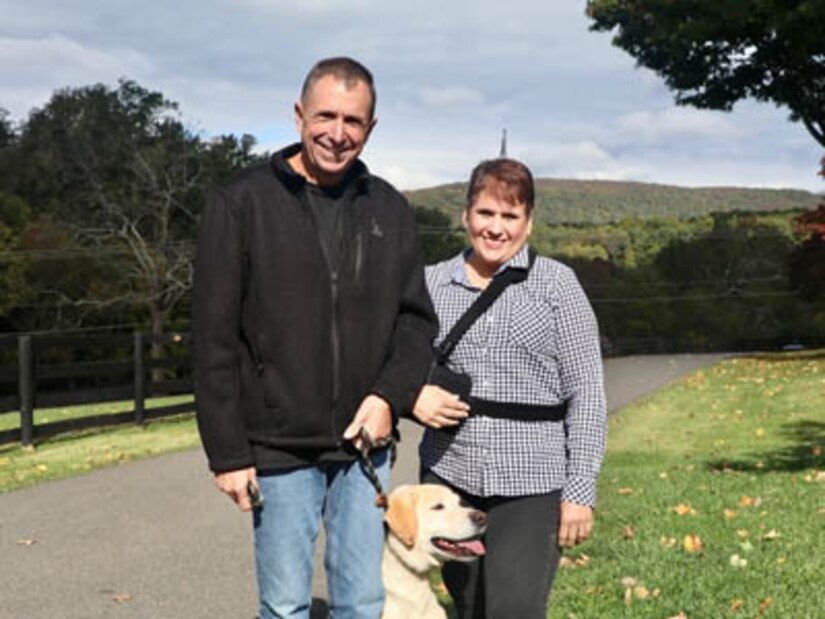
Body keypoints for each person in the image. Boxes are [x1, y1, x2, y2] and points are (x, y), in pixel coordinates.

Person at [193, 57, 437, 619]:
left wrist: (387, 399)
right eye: (326, 115)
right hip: (277, 448)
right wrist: (228, 453)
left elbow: (415, 321)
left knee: (363, 601)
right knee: (283, 606)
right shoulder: (240, 203)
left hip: (363, 449)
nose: (338, 132)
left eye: (354, 121)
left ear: (370, 129)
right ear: (299, 114)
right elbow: (213, 338)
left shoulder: (391, 210)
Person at [412, 158, 607, 618]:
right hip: (450, 475)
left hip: (532, 481)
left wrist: (580, 490)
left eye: (510, 216)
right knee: (469, 605)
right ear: (466, 215)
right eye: (485, 213)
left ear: (529, 222)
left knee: (514, 608)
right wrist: (413, 394)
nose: (495, 228)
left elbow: (588, 393)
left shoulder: (557, 285)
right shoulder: (430, 283)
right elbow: (397, 361)